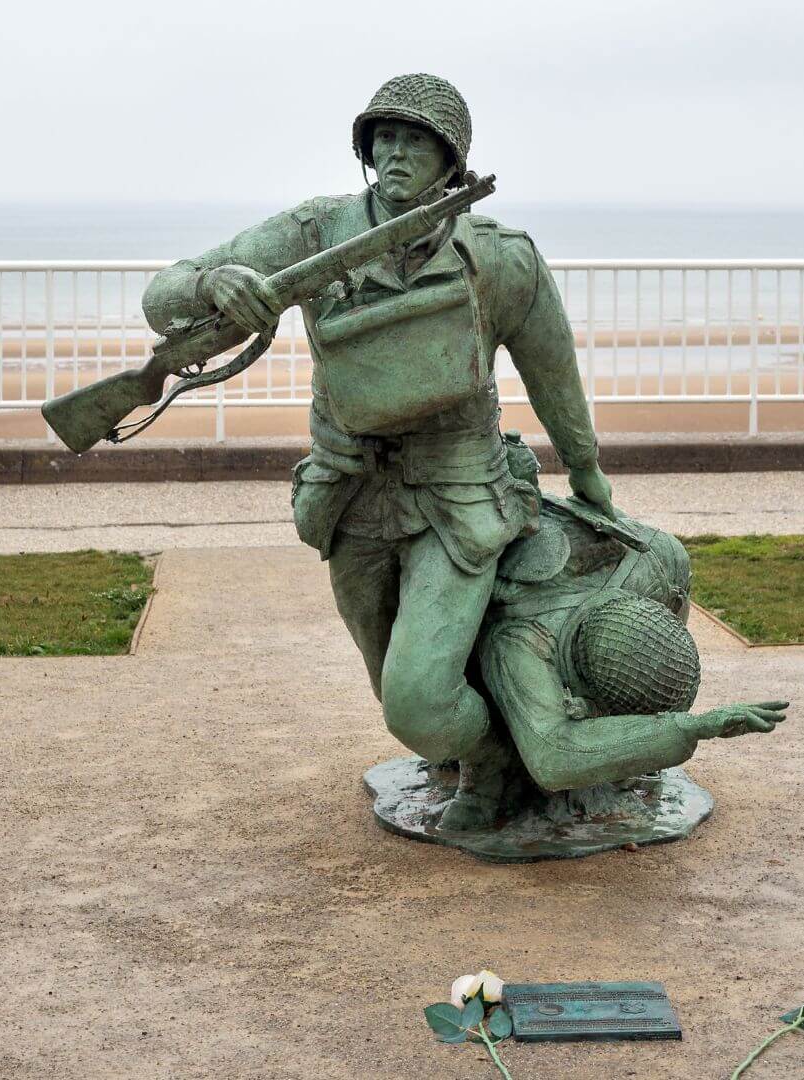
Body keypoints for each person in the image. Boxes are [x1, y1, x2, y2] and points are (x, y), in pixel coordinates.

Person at [142, 74, 613, 826]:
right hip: (349, 494)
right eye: (384, 138)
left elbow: (552, 371)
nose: (395, 153)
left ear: (451, 160)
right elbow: (164, 295)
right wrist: (216, 283)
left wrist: (586, 472)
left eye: (415, 140)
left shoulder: (499, 257)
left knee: (418, 702)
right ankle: (470, 751)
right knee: (386, 678)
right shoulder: (316, 231)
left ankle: (493, 763)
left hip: (457, 495)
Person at [460, 486, 788, 825]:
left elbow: (671, 618)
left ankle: (619, 750)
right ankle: (485, 769)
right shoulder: (518, 643)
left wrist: (650, 735)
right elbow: (553, 756)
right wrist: (688, 728)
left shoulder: (661, 560)